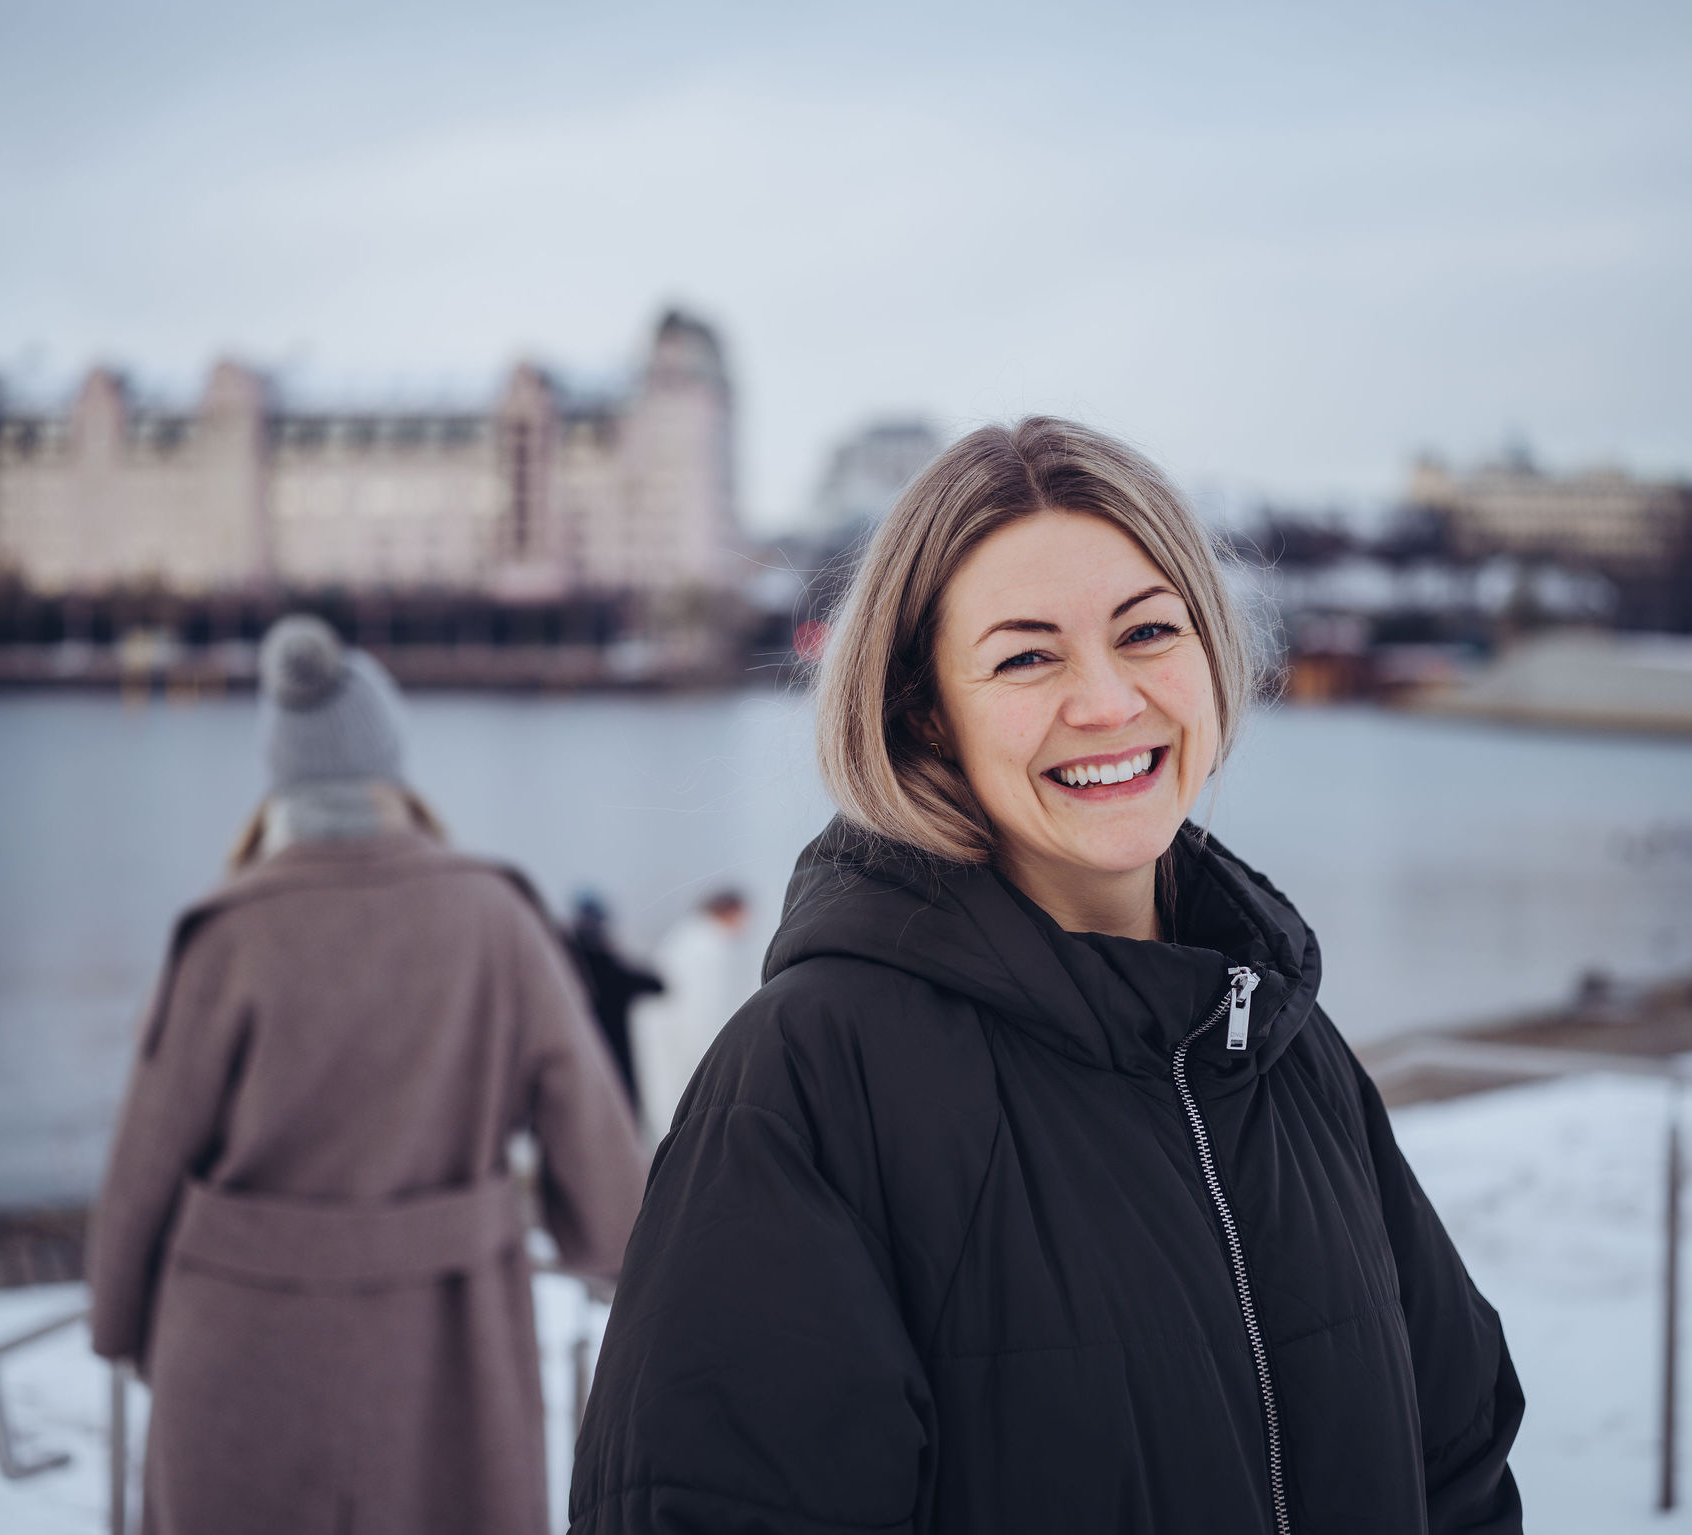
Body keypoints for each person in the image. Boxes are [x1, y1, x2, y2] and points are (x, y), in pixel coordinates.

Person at [570, 420, 1524, 1534]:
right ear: (925, 712)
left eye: (1146, 632)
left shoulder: (1279, 1045)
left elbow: (1454, 1465)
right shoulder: (813, 1079)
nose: (1108, 700)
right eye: (1026, 655)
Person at [89, 614, 646, 1535]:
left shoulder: (225, 931)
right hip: (448, 1351)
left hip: (236, 1351)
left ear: (279, 772)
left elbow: (144, 1159)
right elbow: (589, 1135)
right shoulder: (495, 916)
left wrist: (118, 1317)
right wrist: (618, 1254)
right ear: (393, 761)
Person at [627, 888, 753, 1147]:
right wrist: (716, 1065)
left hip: (663, 1041)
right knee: (681, 1127)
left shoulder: (687, 937)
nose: (747, 927)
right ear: (730, 912)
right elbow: (705, 1012)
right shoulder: (709, 945)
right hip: (680, 1047)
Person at [566, 891, 664, 1114]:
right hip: (611, 1067)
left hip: (581, 1064)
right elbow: (657, 984)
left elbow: (657, 985)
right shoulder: (611, 967)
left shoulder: (567, 969)